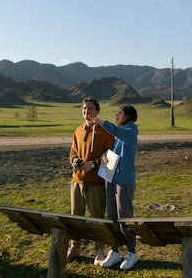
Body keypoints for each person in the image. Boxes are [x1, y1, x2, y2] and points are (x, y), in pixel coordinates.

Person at [67, 97, 115, 264]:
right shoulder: (78, 131)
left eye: (90, 108)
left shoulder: (104, 132)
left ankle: (100, 249)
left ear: (97, 111)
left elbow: (109, 155)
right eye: (84, 108)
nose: (87, 111)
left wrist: (93, 164)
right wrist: (76, 162)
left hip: (95, 182)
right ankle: (74, 246)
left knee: (97, 217)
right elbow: (73, 151)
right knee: (76, 216)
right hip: (77, 181)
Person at [93, 104, 139, 270]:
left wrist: (103, 123)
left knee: (124, 216)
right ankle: (114, 250)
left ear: (127, 116)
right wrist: (106, 156)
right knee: (112, 215)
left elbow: (118, 133)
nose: (116, 115)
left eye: (119, 113)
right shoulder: (120, 134)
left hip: (124, 181)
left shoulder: (130, 131)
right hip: (112, 179)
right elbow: (117, 153)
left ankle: (132, 252)